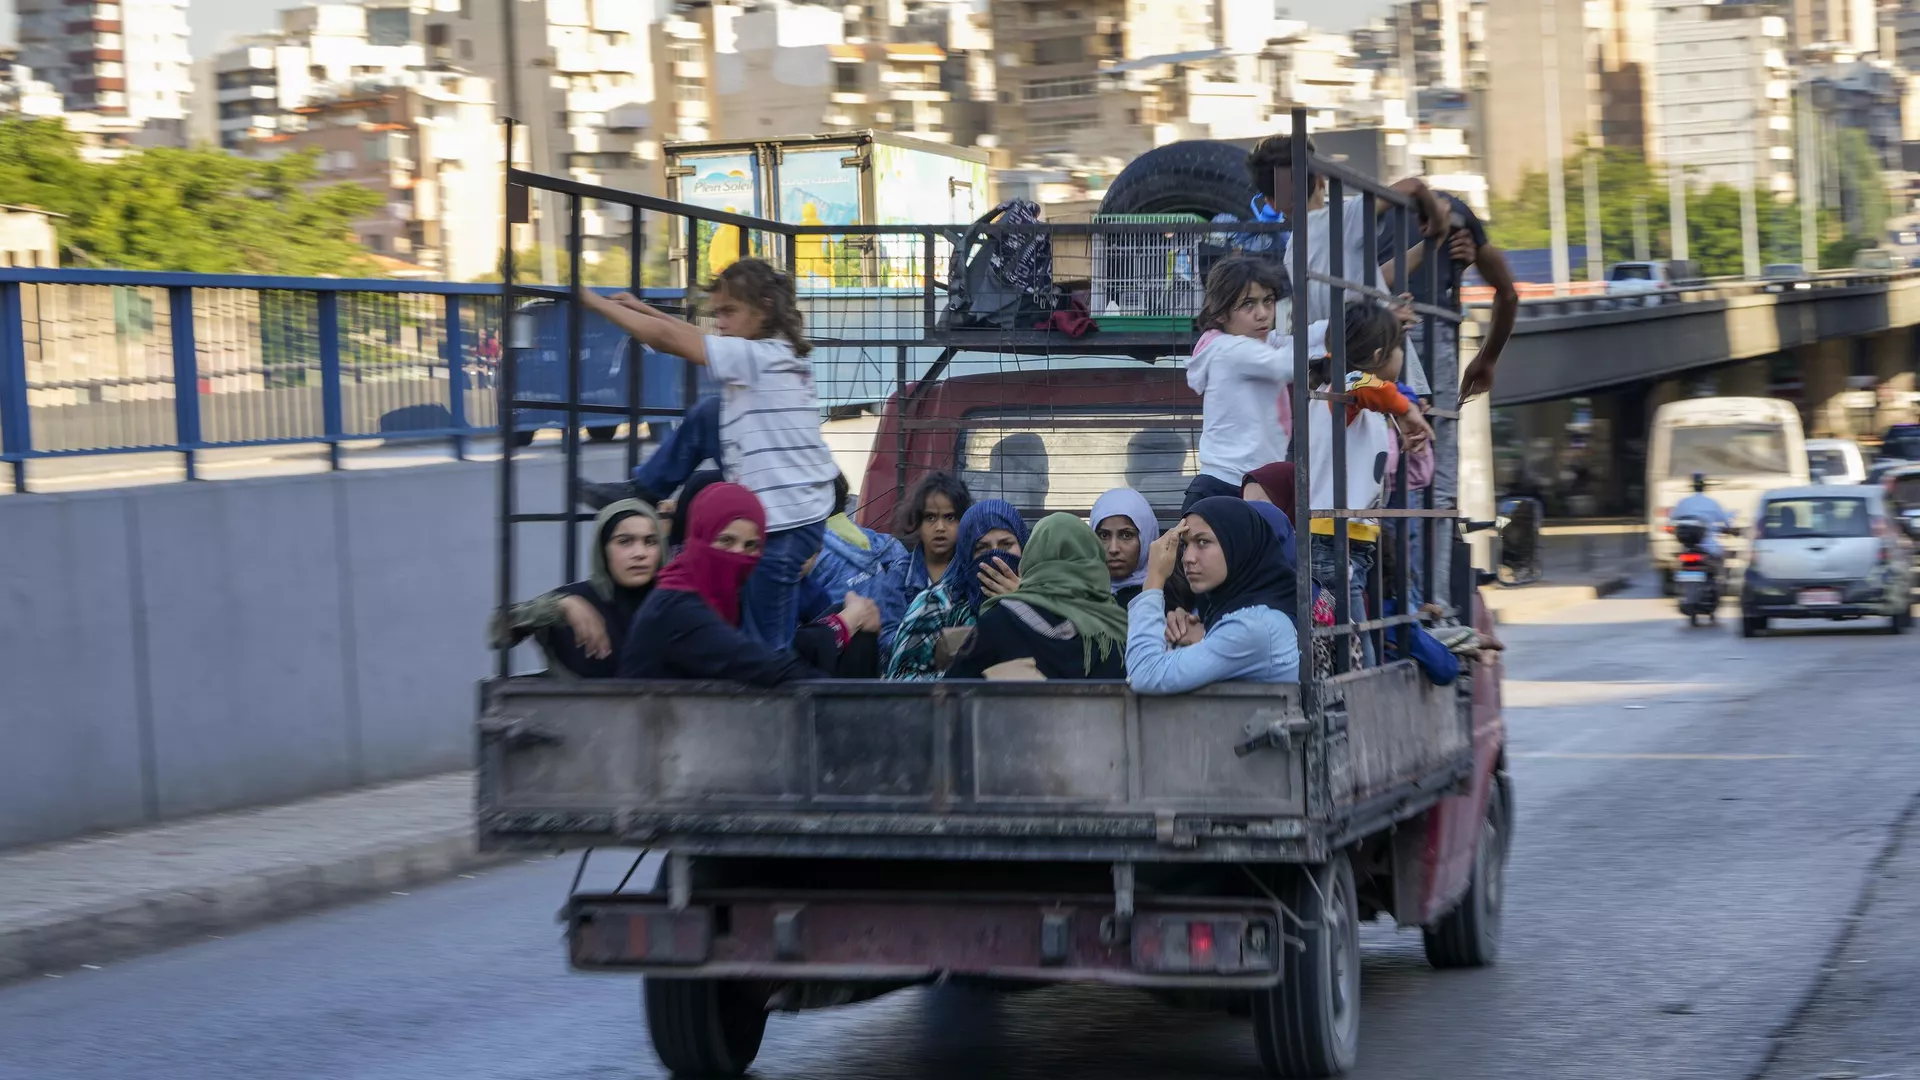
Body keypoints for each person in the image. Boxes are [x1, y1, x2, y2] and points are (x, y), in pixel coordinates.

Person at [576, 259, 839, 652]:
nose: (719, 322)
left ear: (763, 307)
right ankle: (642, 491)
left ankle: (780, 704)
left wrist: (592, 301)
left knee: (765, 646)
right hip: (790, 511)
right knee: (707, 415)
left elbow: (671, 340)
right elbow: (686, 335)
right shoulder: (775, 352)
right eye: (716, 313)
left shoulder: (759, 357)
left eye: (728, 312)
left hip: (784, 525)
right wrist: (642, 309)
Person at [1378, 190, 1519, 612]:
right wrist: (1487, 358)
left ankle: (1405, 605)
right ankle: (1429, 608)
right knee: (1433, 489)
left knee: (1381, 491)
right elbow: (1508, 293)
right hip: (1429, 336)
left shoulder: (1361, 216)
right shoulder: (1454, 213)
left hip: (1369, 338)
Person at [1243, 132, 1446, 395]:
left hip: (1343, 381)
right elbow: (1414, 187)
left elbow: (1372, 279)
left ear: (1271, 202)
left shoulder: (1293, 252)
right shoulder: (1343, 217)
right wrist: (1438, 221)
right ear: (1321, 180)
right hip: (1386, 368)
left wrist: (1430, 246)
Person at [1292, 302, 1433, 665]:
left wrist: (1404, 415)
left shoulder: (1357, 402)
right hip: (1331, 538)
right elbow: (1364, 384)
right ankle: (1356, 709)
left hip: (1349, 535)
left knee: (1349, 632)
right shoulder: (1342, 391)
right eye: (1399, 347)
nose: (1403, 356)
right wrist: (1407, 410)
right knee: (1353, 640)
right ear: (1377, 354)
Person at [619, 481, 831, 686]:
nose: (739, 554)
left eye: (751, 545)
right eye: (726, 541)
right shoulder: (676, 605)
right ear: (700, 538)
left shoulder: (730, 599)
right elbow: (757, 663)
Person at [1184, 255, 1327, 511]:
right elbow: (1286, 362)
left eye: (1268, 301)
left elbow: (1303, 340)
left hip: (1252, 483)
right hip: (1226, 486)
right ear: (1221, 313)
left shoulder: (1258, 344)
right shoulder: (1231, 350)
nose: (1262, 314)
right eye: (1248, 304)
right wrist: (1350, 331)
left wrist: (1351, 325)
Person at [1126, 497, 1301, 695]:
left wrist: (1154, 579)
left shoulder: (1255, 627)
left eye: (1203, 542)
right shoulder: (1227, 612)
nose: (1187, 558)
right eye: (1185, 545)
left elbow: (1145, 674)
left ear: (1237, 545)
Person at [490, 499, 664, 679]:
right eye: (625, 542)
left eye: (650, 541)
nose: (640, 553)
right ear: (603, 549)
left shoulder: (674, 603)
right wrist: (557, 608)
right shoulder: (576, 599)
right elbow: (497, 631)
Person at [945, 514, 1129, 680]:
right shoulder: (1121, 628)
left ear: (1031, 557)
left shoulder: (996, 623)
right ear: (1095, 560)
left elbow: (950, 694)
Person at [885, 499, 1027, 680]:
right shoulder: (936, 604)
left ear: (1023, 545)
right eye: (982, 548)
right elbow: (898, 679)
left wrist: (1022, 605)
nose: (995, 556)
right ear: (967, 553)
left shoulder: (1041, 600)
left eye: (1006, 544)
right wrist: (970, 679)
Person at [809, 472, 915, 655]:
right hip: (900, 659)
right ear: (846, 499)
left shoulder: (809, 550)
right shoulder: (890, 545)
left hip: (841, 665)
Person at [894, 471, 974, 597]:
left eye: (950, 518)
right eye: (930, 518)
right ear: (917, 522)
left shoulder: (972, 573)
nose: (940, 528)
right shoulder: (899, 573)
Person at [1090, 487, 1161, 607]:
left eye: (1126, 535)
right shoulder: (1078, 595)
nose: (1113, 549)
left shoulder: (1167, 599)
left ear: (1146, 538)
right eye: (1104, 535)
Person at [1670, 472, 1734, 559]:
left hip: (1685, 546)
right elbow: (1725, 519)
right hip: (1707, 545)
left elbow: (1672, 519)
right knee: (1720, 556)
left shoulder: (1683, 502)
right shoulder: (1711, 502)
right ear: (1704, 486)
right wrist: (1730, 527)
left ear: (1692, 486)